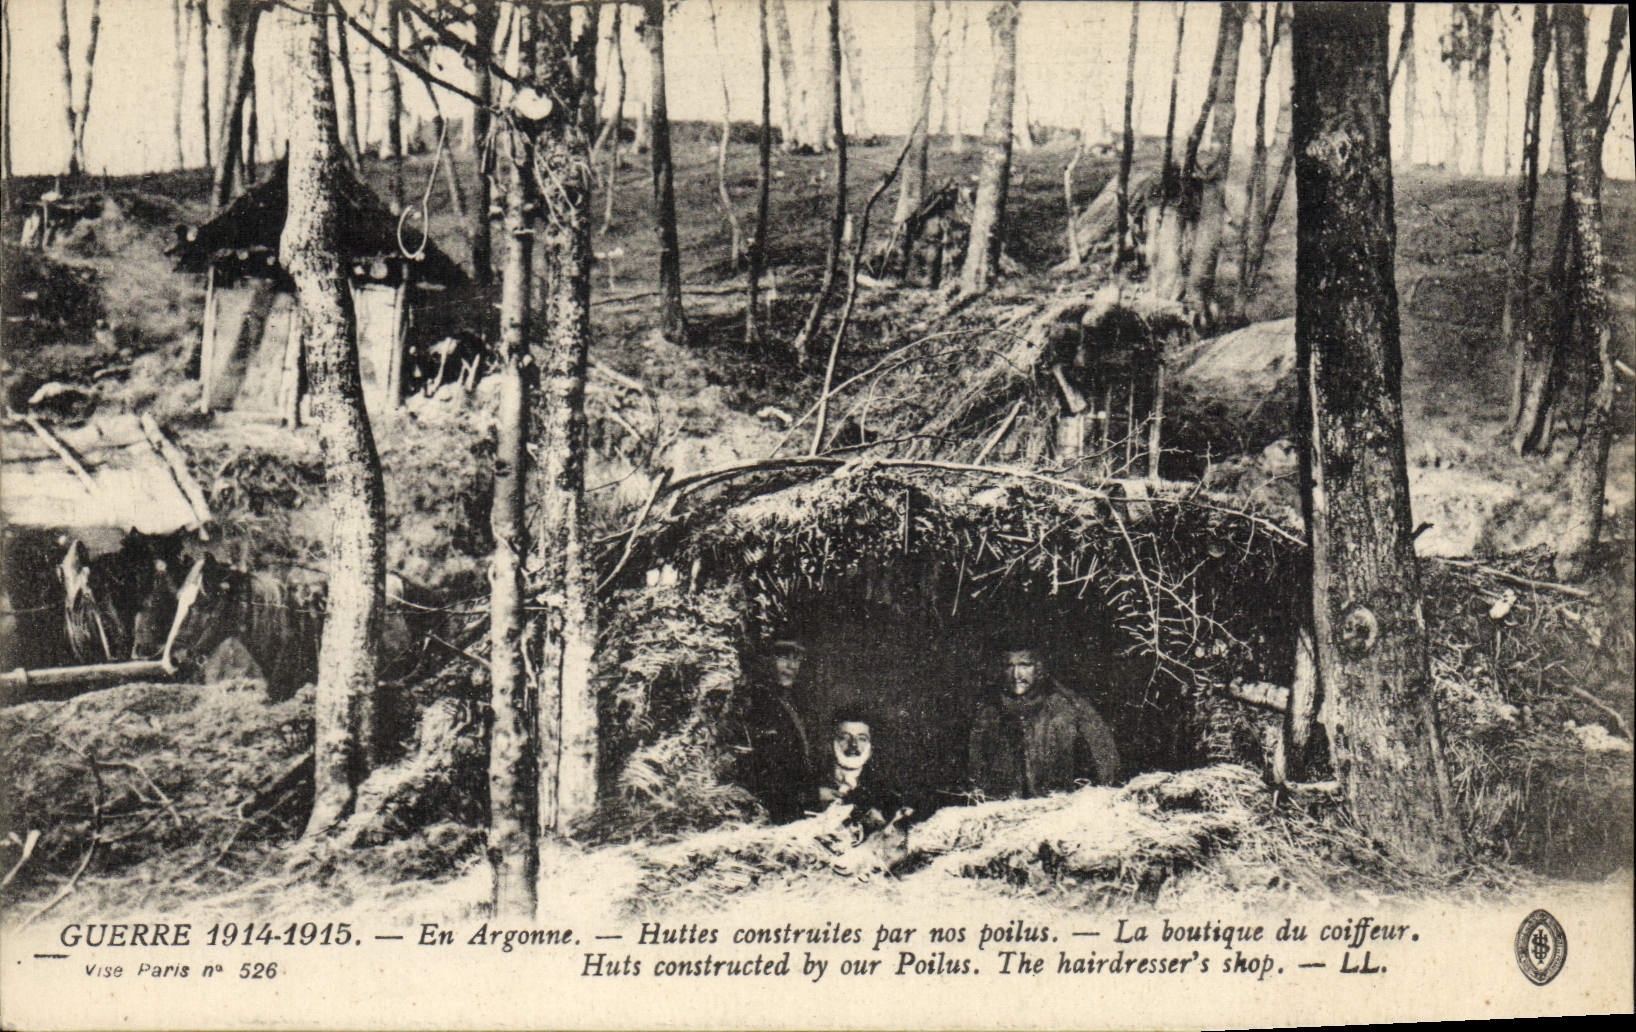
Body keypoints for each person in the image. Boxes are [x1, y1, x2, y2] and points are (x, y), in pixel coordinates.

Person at [966, 643, 1123, 799]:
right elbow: (976, 769)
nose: (1016, 675)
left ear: (1038, 668)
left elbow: (1103, 761)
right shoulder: (989, 712)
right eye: (1009, 666)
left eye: (1025, 665)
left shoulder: (1064, 708)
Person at [735, 638, 815, 822]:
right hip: (768, 809)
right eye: (783, 657)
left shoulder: (789, 702)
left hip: (789, 805)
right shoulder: (757, 703)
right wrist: (811, 794)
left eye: (797, 659)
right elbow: (767, 768)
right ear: (765, 659)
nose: (791, 666)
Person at [804, 709, 901, 832]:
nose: (853, 745)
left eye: (862, 738)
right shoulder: (811, 784)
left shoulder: (884, 791)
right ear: (831, 743)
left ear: (871, 746)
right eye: (844, 737)